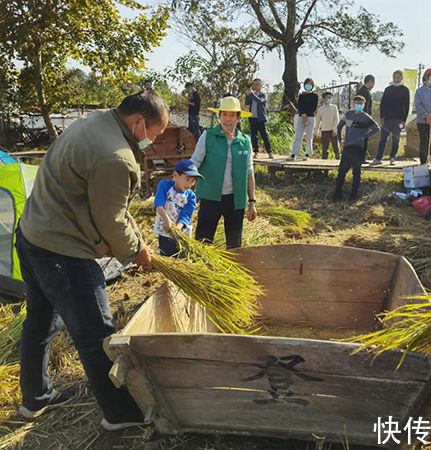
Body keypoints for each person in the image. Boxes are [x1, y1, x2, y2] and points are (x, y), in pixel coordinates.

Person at [15, 91, 167, 430]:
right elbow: (110, 222)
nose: (154, 141)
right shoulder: (115, 157)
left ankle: (34, 399)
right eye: (155, 133)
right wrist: (136, 251)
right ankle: (120, 413)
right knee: (96, 333)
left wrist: (130, 228)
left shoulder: (96, 120)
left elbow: (99, 199)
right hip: (62, 251)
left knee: (39, 322)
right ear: (138, 122)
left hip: (32, 235)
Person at [191, 96, 257, 249]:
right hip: (210, 197)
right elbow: (194, 163)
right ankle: (202, 270)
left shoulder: (245, 141)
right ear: (219, 116)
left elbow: (249, 171)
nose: (228, 119)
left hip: (236, 199)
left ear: (238, 118)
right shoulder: (208, 136)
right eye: (224, 114)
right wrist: (182, 188)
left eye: (232, 115)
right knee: (203, 242)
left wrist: (252, 202)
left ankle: (232, 271)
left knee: (235, 246)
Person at [333, 95, 380, 202]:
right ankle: (337, 193)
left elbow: (376, 128)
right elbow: (340, 126)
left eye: (360, 104)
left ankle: (353, 195)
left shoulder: (366, 118)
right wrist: (340, 140)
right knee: (341, 171)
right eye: (356, 103)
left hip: (359, 148)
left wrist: (365, 136)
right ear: (353, 104)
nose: (358, 105)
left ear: (364, 105)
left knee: (356, 172)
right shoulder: (349, 114)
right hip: (348, 146)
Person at [153, 160, 202, 257]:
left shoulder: (191, 196)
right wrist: (167, 220)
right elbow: (159, 204)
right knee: (167, 257)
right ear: (175, 175)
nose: (189, 184)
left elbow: (186, 215)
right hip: (165, 232)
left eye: (193, 181)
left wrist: (177, 229)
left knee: (182, 258)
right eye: (187, 179)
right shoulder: (165, 186)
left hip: (181, 234)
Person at [372, 70, 410, 166]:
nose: (396, 79)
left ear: (401, 78)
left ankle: (393, 157)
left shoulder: (405, 90)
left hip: (399, 119)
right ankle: (378, 158)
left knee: (396, 139)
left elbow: (406, 106)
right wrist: (382, 117)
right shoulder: (388, 89)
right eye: (394, 77)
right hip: (387, 119)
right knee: (383, 138)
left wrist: (404, 120)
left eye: (398, 77)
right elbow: (383, 104)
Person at [289, 78, 318, 160]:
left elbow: (314, 107)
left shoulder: (315, 96)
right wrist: (303, 115)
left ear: (312, 86)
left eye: (310, 84)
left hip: (311, 117)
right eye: (307, 84)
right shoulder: (301, 95)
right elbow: (300, 106)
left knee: (309, 136)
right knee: (298, 135)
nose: (308, 86)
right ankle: (294, 153)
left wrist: (307, 115)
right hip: (301, 116)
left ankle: (307, 154)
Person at [245, 78, 273, 159]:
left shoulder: (263, 95)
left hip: (260, 119)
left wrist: (252, 94)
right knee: (254, 136)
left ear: (261, 86)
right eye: (254, 84)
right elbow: (247, 103)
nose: (256, 86)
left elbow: (260, 101)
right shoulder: (251, 95)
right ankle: (256, 151)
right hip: (252, 118)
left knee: (264, 135)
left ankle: (270, 152)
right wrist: (248, 94)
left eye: (257, 84)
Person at [314, 92, 340, 159]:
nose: (330, 99)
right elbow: (317, 121)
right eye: (328, 97)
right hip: (324, 130)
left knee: (336, 148)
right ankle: (324, 165)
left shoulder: (334, 107)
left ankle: (338, 163)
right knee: (325, 149)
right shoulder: (321, 109)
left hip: (333, 131)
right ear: (324, 98)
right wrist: (316, 131)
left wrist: (335, 130)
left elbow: (336, 119)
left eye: (331, 97)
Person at [357, 75, 375, 162]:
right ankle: (361, 158)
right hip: (363, 119)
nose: (373, 85)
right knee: (363, 139)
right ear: (370, 82)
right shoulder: (365, 92)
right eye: (373, 83)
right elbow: (366, 108)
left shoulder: (361, 91)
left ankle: (360, 157)